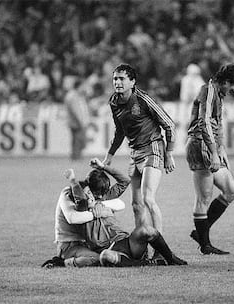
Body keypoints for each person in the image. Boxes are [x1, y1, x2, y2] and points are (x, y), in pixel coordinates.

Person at [42, 158, 187, 268]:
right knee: (105, 256)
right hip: (110, 249)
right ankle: (145, 263)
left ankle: (171, 258)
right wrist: (73, 181)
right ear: (86, 191)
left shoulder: (103, 199)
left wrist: (104, 169)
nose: (97, 197)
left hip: (125, 241)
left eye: (99, 195)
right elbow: (78, 206)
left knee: (146, 229)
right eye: (92, 194)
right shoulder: (82, 205)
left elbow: (124, 182)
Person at [102, 64, 176, 262]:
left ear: (132, 82)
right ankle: (142, 251)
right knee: (136, 205)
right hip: (135, 154)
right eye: (115, 79)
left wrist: (168, 153)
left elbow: (169, 124)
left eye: (122, 79)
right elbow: (120, 131)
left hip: (153, 148)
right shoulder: (114, 102)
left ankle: (160, 252)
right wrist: (109, 155)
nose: (117, 82)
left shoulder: (143, 99)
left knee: (148, 199)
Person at [186, 63, 234, 255]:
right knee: (204, 197)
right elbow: (204, 122)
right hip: (200, 145)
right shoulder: (208, 91)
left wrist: (221, 150)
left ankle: (200, 233)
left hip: (210, 147)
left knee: (231, 190)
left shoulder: (217, 94)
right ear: (226, 81)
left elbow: (217, 123)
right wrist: (214, 152)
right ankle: (205, 245)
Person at [64, 79, 90, 160]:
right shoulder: (73, 96)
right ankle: (76, 156)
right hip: (76, 122)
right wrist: (81, 121)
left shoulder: (76, 95)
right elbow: (76, 111)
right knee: (78, 140)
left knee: (76, 140)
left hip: (76, 121)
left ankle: (75, 156)